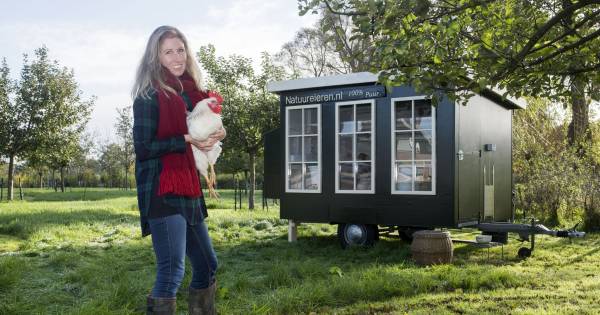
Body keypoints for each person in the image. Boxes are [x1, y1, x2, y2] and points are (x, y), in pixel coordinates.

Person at [131, 25, 225, 315]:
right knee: (172, 272)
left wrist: (218, 132)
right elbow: (144, 147)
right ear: (156, 57)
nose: (176, 57)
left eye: (180, 49)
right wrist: (187, 138)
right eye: (168, 51)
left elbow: (201, 125)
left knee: (208, 265)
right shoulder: (148, 96)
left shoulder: (191, 93)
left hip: (188, 186)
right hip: (162, 187)